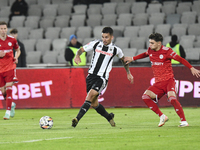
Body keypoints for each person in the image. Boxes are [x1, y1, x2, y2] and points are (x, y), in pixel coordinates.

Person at [124, 33, 200, 127]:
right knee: (145, 97)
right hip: (158, 83)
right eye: (149, 43)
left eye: (152, 43)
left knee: (172, 98)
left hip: (169, 81)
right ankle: (162, 116)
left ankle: (183, 121)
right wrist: (133, 58)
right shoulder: (150, 50)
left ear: (159, 43)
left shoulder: (167, 51)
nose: (150, 45)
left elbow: (180, 59)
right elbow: (145, 54)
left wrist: (191, 68)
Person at [71, 27, 134, 128]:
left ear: (112, 37)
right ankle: (109, 117)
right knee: (94, 104)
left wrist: (128, 73)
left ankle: (76, 119)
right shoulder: (96, 44)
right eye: (103, 37)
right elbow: (81, 49)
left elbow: (123, 60)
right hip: (90, 77)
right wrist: (77, 55)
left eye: (107, 37)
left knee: (90, 96)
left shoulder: (115, 49)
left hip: (102, 78)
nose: (104, 39)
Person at [0, 21, 21, 120]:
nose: (3, 30)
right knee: (3, 92)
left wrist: (16, 57)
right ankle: (12, 104)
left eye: (4, 28)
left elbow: (18, 50)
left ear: (7, 29)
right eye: (1, 29)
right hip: (0, 69)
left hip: (10, 68)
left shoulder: (12, 40)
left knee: (9, 90)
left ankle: (7, 112)